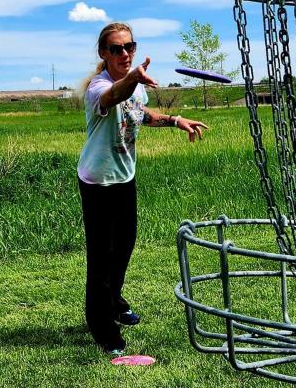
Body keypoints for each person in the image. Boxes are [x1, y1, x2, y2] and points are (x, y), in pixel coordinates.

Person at [77, 22, 208, 356]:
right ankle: (103, 328)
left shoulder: (135, 86)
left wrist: (176, 120)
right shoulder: (98, 87)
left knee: (124, 246)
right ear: (103, 54)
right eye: (116, 49)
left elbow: (140, 112)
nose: (124, 53)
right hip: (98, 182)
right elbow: (115, 96)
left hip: (124, 178)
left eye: (129, 46)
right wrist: (133, 77)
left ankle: (114, 301)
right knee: (102, 258)